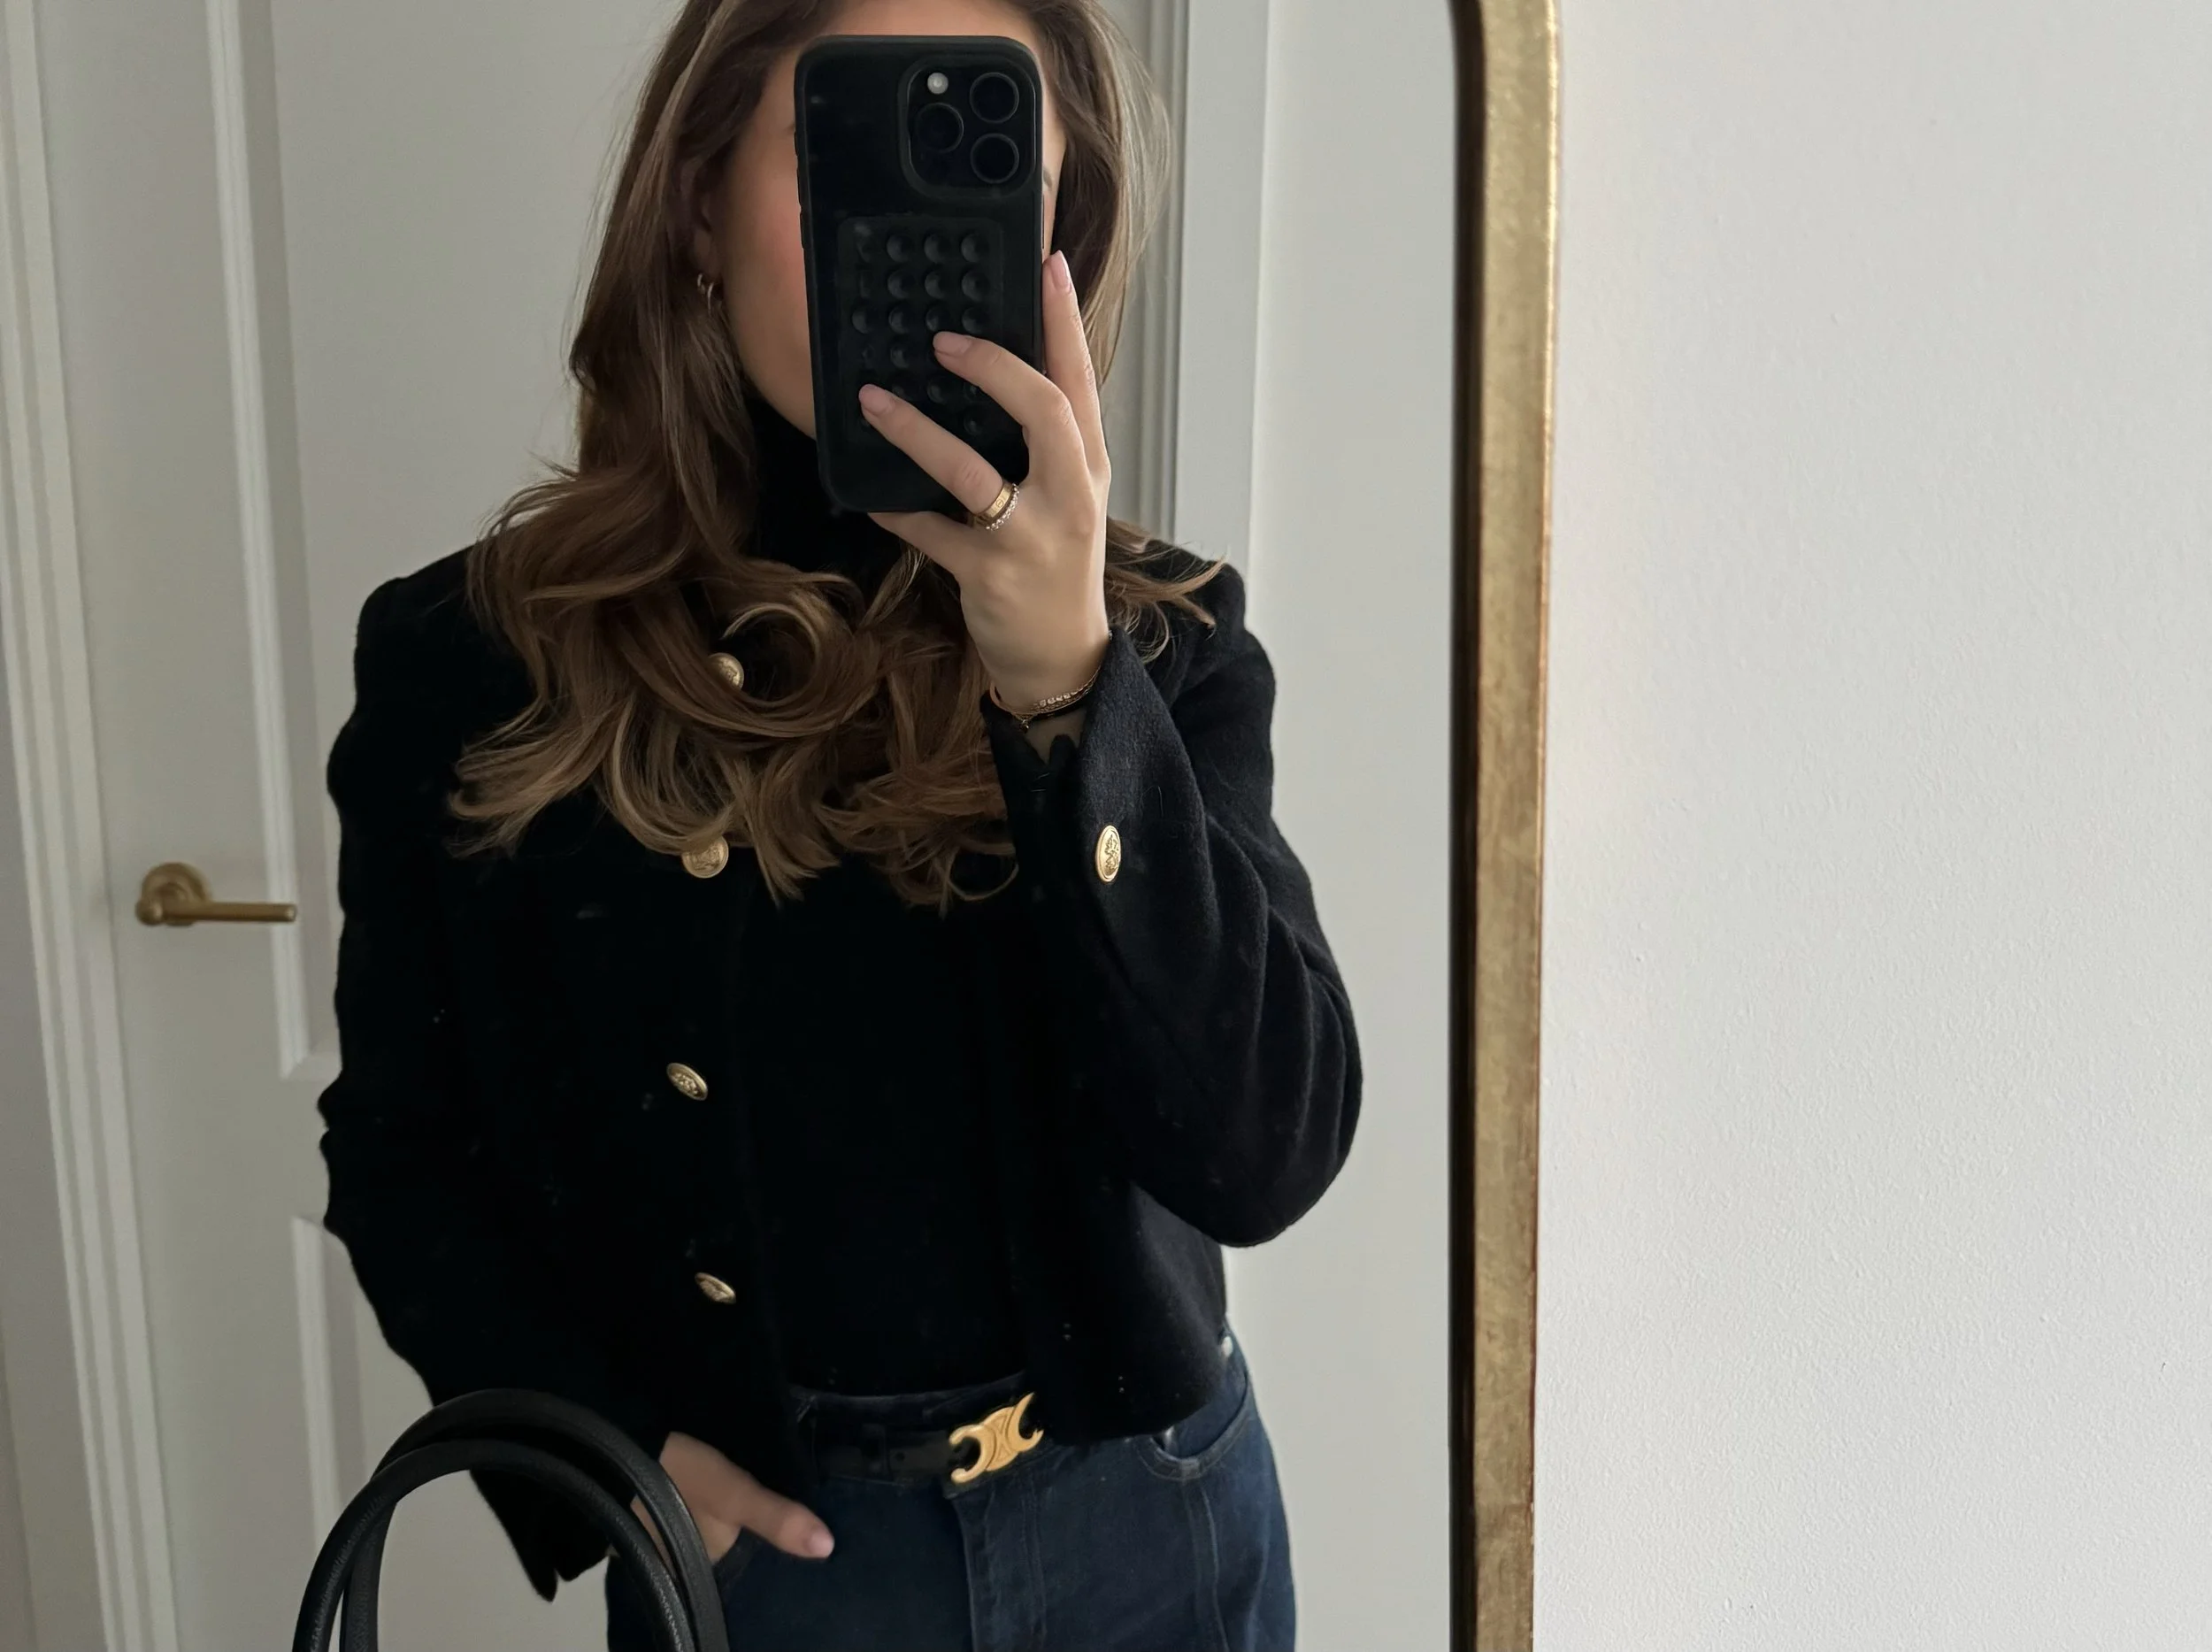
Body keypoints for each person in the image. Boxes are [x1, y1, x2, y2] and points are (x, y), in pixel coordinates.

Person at [314, 0, 1361, 1646]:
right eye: (841, 160)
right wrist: (612, 1447)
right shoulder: (477, 659)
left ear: (1056, 249)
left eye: (978, 174)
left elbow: (1263, 1150)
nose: (905, 245)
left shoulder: (1161, 646)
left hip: (1151, 1531)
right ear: (695, 205)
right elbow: (401, 1150)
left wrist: (1067, 691)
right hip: (771, 1571)